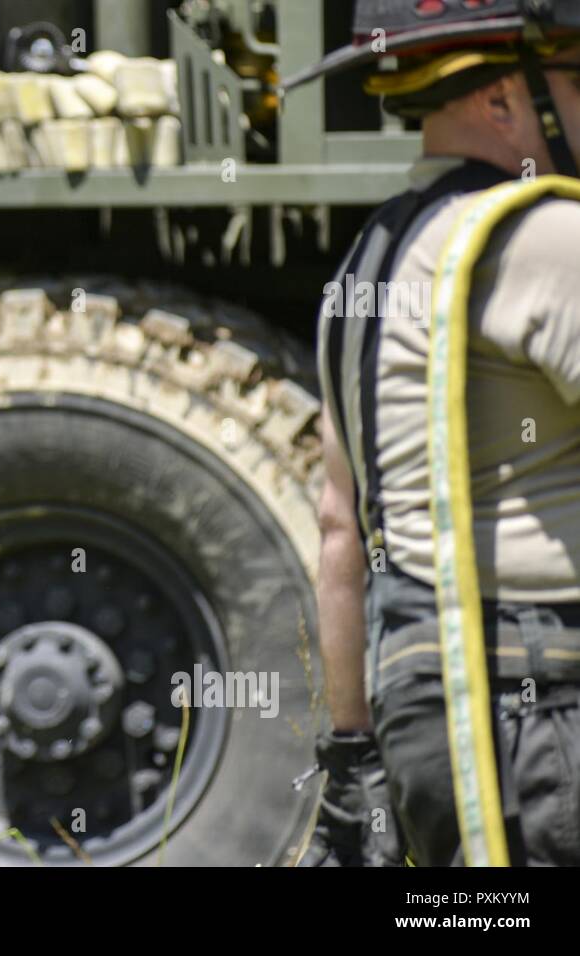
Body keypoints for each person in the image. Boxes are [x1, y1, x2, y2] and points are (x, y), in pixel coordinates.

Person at [284, 0, 580, 865]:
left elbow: (341, 528)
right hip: (544, 708)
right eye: (575, 80)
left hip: (426, 707)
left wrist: (351, 753)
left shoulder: (367, 262)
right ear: (505, 101)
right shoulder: (547, 234)